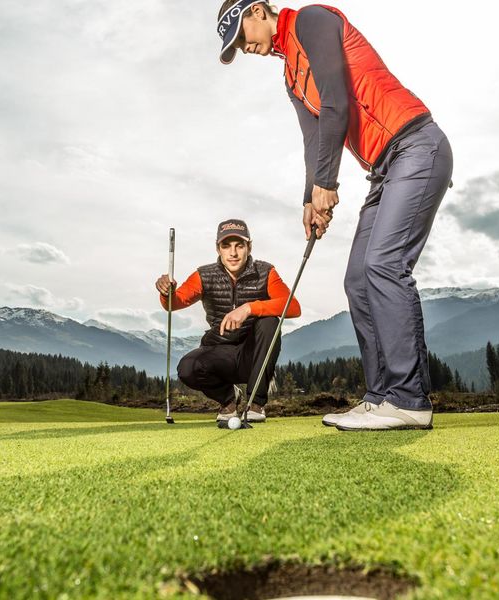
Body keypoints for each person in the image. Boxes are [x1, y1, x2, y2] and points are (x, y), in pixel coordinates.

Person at [216, 1, 454, 430]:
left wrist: (329, 183)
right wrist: (311, 199)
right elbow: (314, 139)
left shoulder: (312, 20)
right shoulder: (290, 76)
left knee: (384, 265)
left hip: (417, 145)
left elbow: (336, 101)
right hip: (384, 168)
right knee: (358, 279)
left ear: (257, 10)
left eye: (241, 36)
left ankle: (409, 399)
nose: (244, 47)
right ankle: (381, 396)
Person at [156, 219, 301, 423]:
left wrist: (249, 308)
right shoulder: (204, 275)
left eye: (239, 245)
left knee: (270, 322)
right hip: (219, 352)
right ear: (218, 249)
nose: (233, 253)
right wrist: (166, 291)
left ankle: (255, 404)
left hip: (253, 356)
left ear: (249, 247)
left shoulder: (266, 272)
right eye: (226, 246)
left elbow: (293, 307)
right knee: (188, 368)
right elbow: (173, 303)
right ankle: (229, 400)